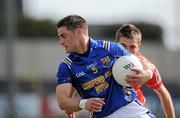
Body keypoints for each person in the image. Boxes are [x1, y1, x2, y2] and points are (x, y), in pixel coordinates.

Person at [56, 15, 156, 118]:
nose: (61, 42)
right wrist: (83, 104)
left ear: (79, 32)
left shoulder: (110, 48)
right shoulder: (66, 66)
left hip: (131, 110)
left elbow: (142, 63)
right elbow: (62, 101)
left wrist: (147, 74)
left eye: (63, 36)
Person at [115, 24, 175, 118]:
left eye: (132, 47)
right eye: (122, 46)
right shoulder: (104, 59)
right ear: (115, 44)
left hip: (135, 110)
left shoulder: (144, 66)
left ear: (138, 47)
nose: (126, 51)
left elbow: (164, 94)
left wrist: (149, 73)